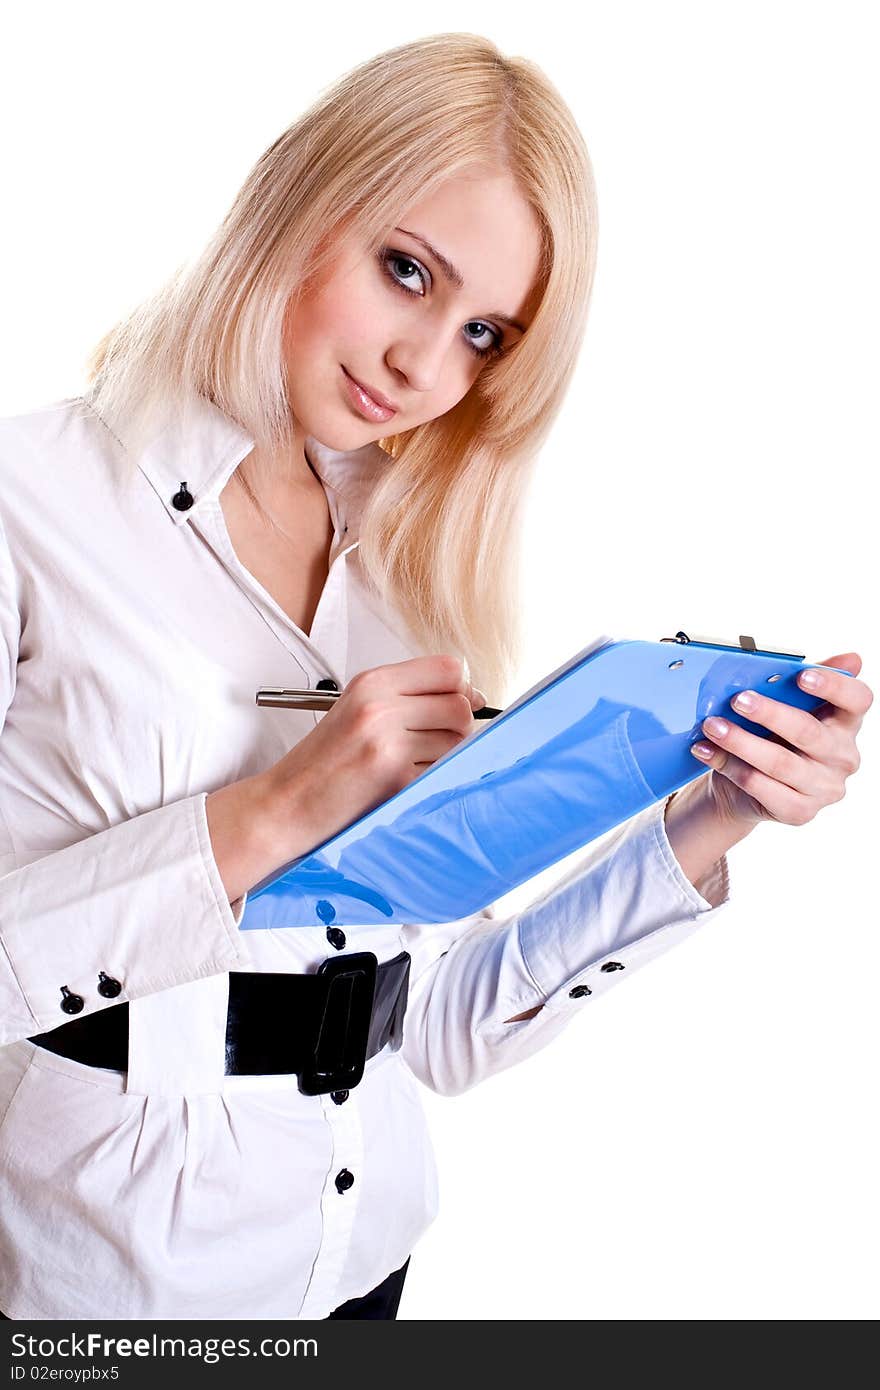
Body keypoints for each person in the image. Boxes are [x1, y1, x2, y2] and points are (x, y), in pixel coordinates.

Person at [0, 33, 870, 1323]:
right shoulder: (36, 505)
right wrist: (275, 813)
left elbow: (440, 1027)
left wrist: (708, 819)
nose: (423, 369)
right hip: (112, 1294)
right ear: (299, 194)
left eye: (481, 335)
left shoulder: (408, 572)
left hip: (360, 1264)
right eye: (406, 272)